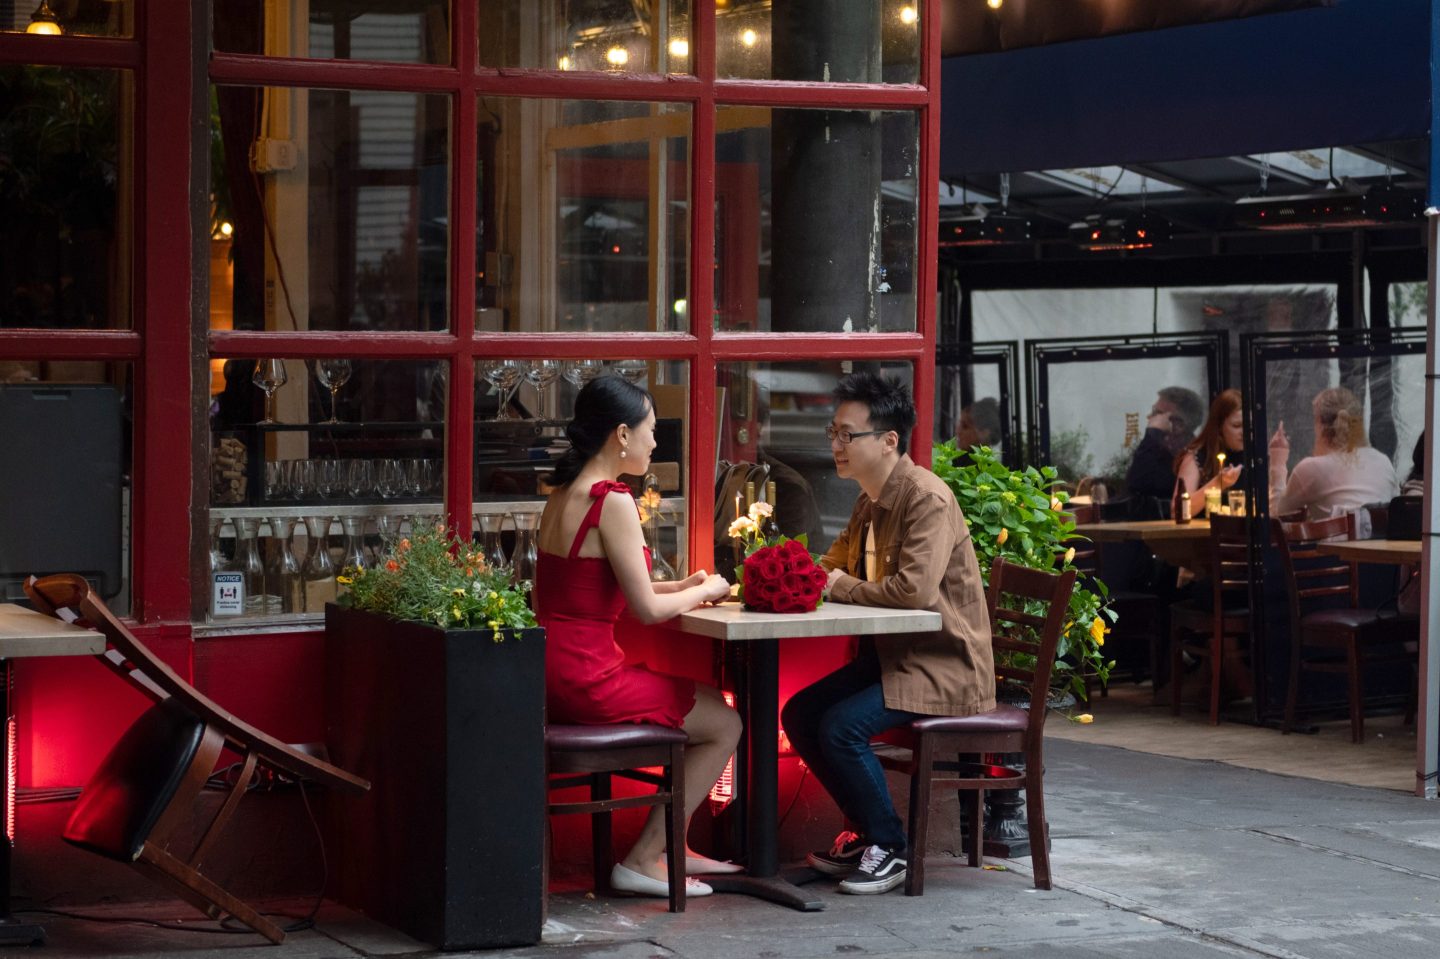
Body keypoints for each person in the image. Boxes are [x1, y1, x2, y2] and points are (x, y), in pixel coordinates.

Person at [781, 372, 995, 896]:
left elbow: (914, 592)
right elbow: (827, 568)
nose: (836, 444)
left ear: (889, 440)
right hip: (895, 658)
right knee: (799, 715)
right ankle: (868, 833)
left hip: (942, 663)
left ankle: (891, 846)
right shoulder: (869, 500)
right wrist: (787, 576)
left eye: (846, 435)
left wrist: (839, 585)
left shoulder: (927, 499)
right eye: (833, 432)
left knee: (839, 727)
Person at [534, 375, 741, 899]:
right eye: (650, 430)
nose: (655, 442)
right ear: (621, 435)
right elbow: (647, 610)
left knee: (711, 702)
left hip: (548, 669)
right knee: (725, 722)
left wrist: (686, 585)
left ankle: (673, 845)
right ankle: (645, 858)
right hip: (588, 675)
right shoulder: (613, 499)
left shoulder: (564, 492)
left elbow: (601, 586)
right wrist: (709, 589)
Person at [1268, 386, 1398, 523]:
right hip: (1382, 544)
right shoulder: (1383, 461)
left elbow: (1276, 516)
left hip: (1335, 544)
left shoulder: (1311, 469)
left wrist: (1277, 462)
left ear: (1320, 426)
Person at [1125, 386, 1205, 512]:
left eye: (1157, 413)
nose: (1150, 417)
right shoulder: (1158, 447)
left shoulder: (1190, 455)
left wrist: (1153, 433)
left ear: (1178, 425)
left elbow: (1138, 483)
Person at [1172, 388, 1245, 517]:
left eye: (1249, 426)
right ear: (1219, 427)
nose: (1244, 433)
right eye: (1236, 426)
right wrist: (1217, 484)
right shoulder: (1197, 457)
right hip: (1203, 535)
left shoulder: (1256, 458)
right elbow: (1177, 511)